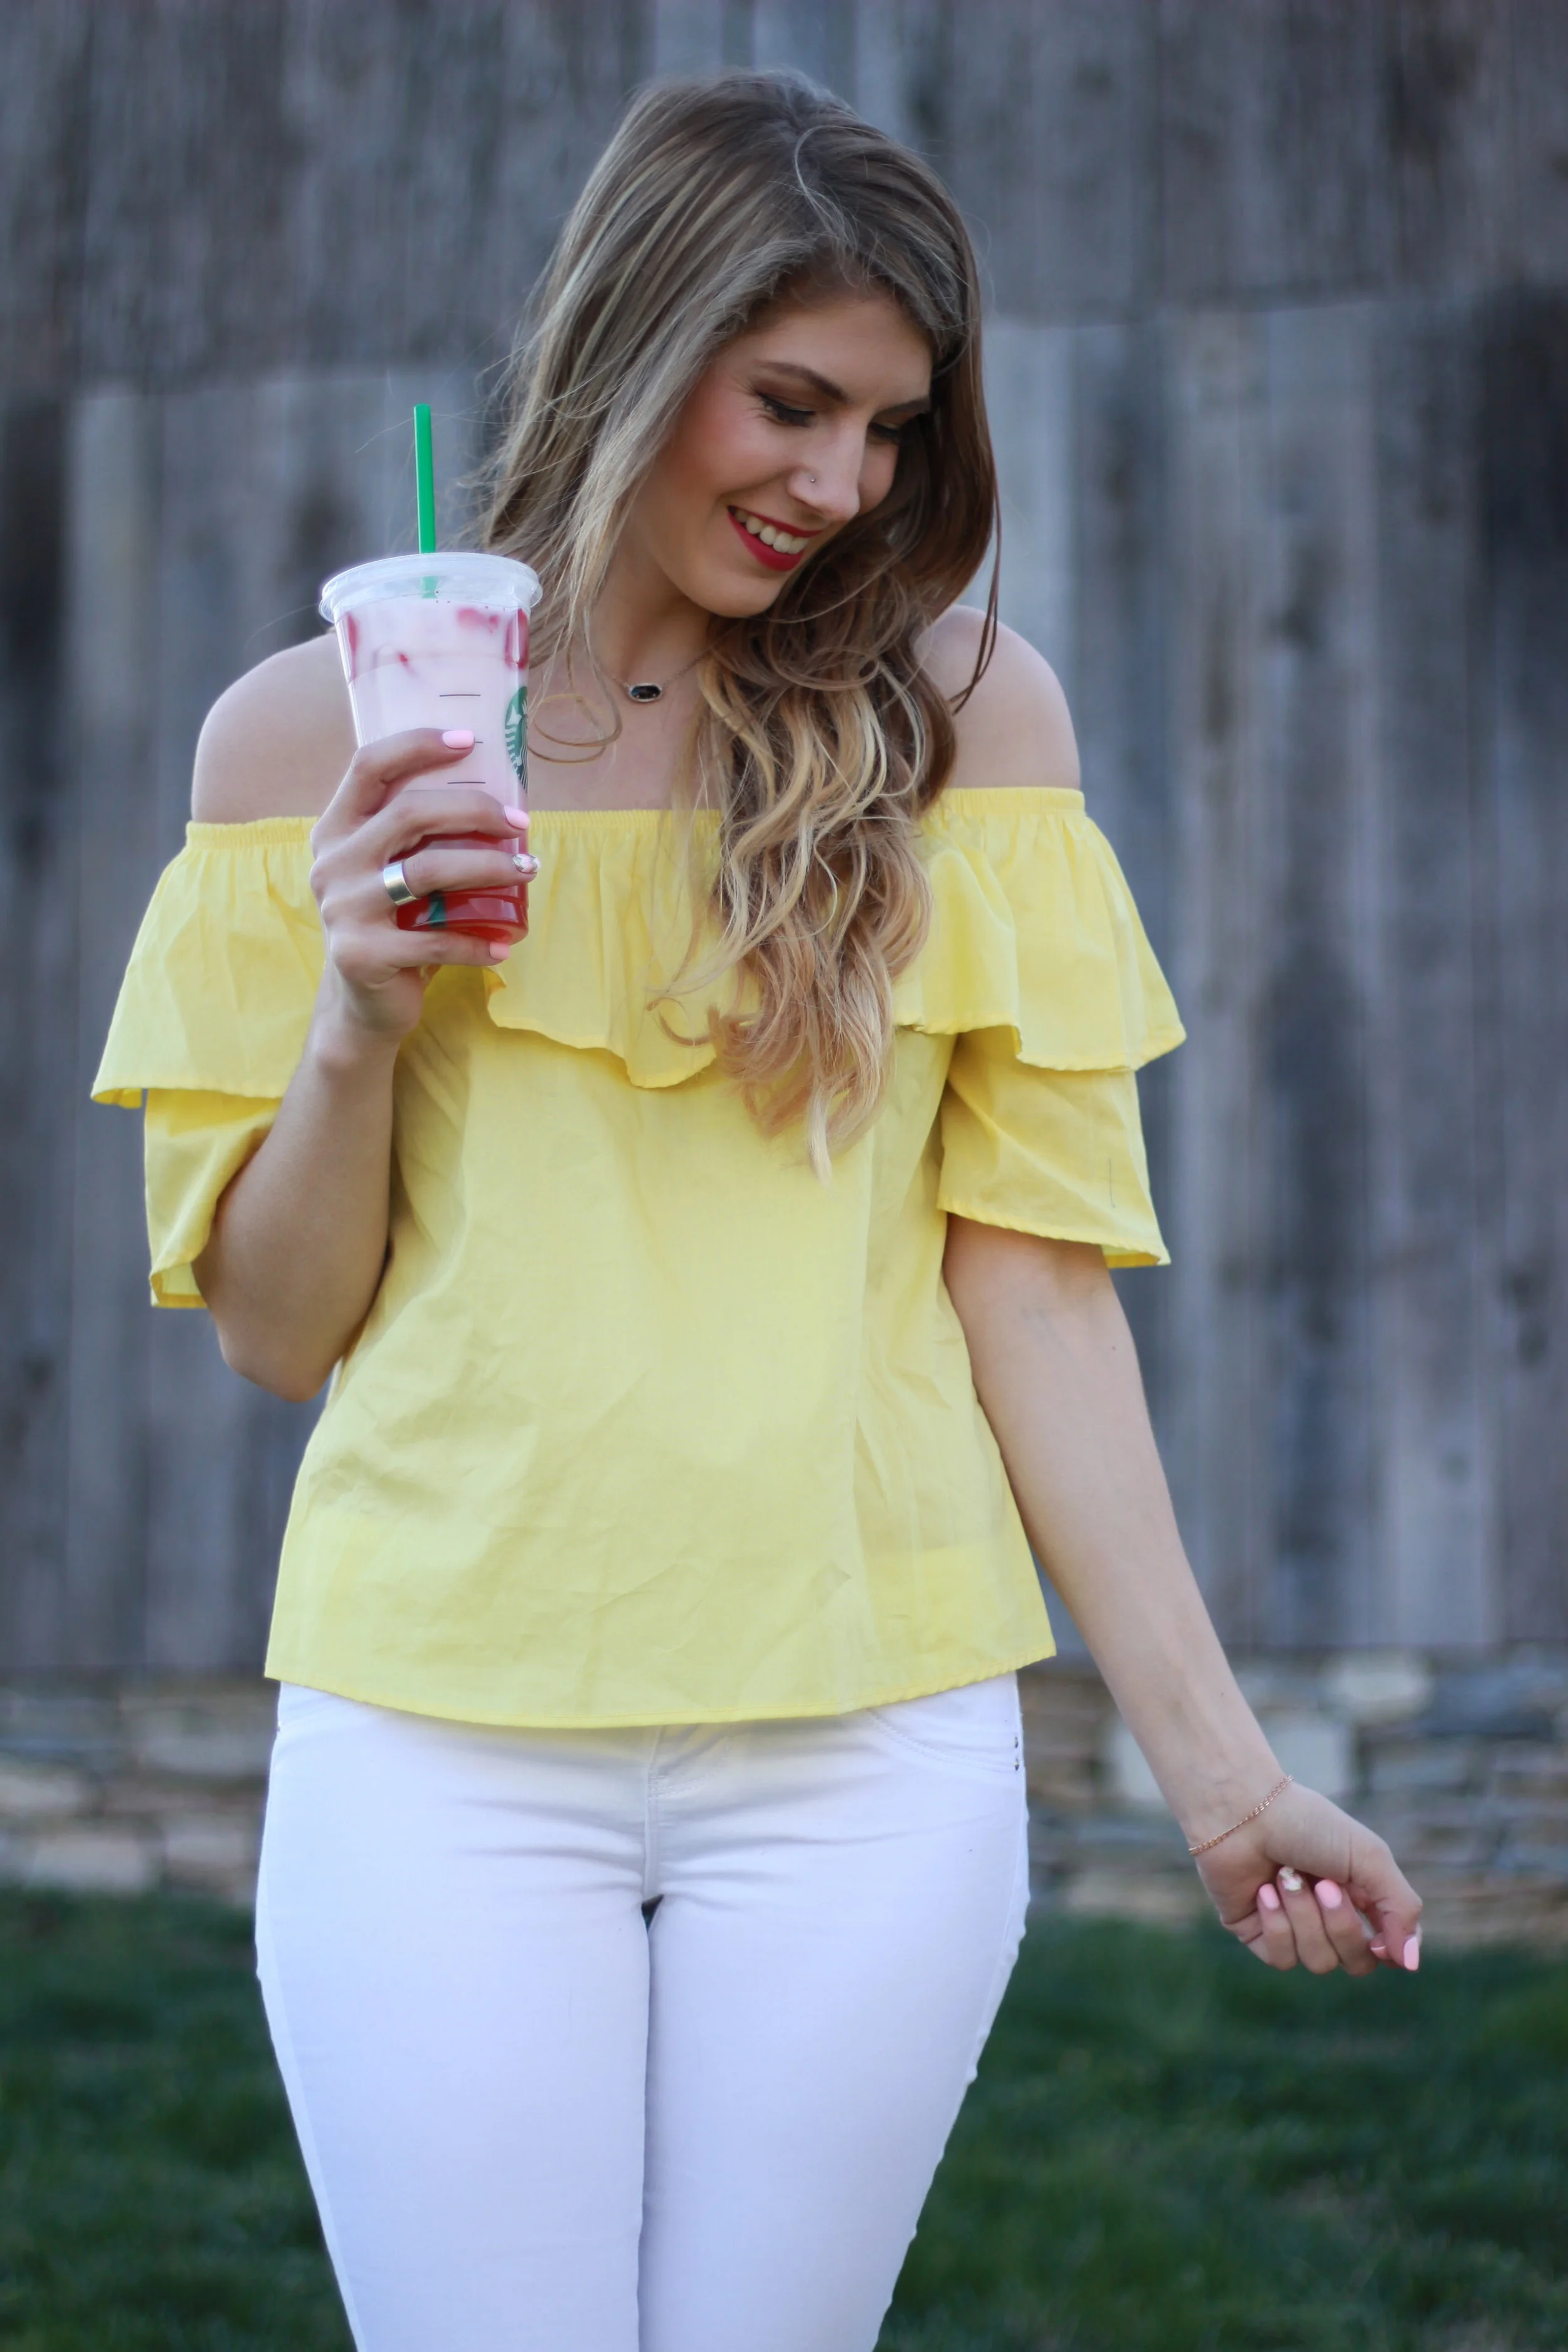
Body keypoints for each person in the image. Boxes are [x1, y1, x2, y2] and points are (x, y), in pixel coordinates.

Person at [95, 70, 1421, 2352]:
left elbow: (1031, 1291)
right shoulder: (305, 745)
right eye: (789, 402)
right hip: (439, 1732)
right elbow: (274, 1329)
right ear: (635, 343)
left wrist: (1223, 1777)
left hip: (864, 1741)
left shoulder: (966, 721)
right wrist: (355, 1019)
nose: (840, 486)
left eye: (893, 431)